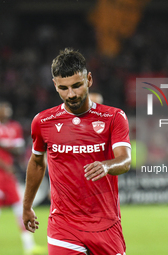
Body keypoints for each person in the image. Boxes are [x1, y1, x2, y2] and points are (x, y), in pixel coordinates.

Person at [23, 48, 131, 255]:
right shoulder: (43, 122)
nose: (71, 94)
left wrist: (107, 165)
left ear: (89, 79)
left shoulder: (114, 118)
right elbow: (37, 162)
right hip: (64, 225)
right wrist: (27, 206)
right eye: (63, 88)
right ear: (55, 85)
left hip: (106, 224)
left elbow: (124, 161)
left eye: (77, 86)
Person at [0, 100, 46, 255]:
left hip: (8, 176)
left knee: (20, 209)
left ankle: (29, 246)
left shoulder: (14, 127)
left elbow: (18, 150)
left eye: (8, 108)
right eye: (4, 108)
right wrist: (7, 165)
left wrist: (0, 144)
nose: (8, 111)